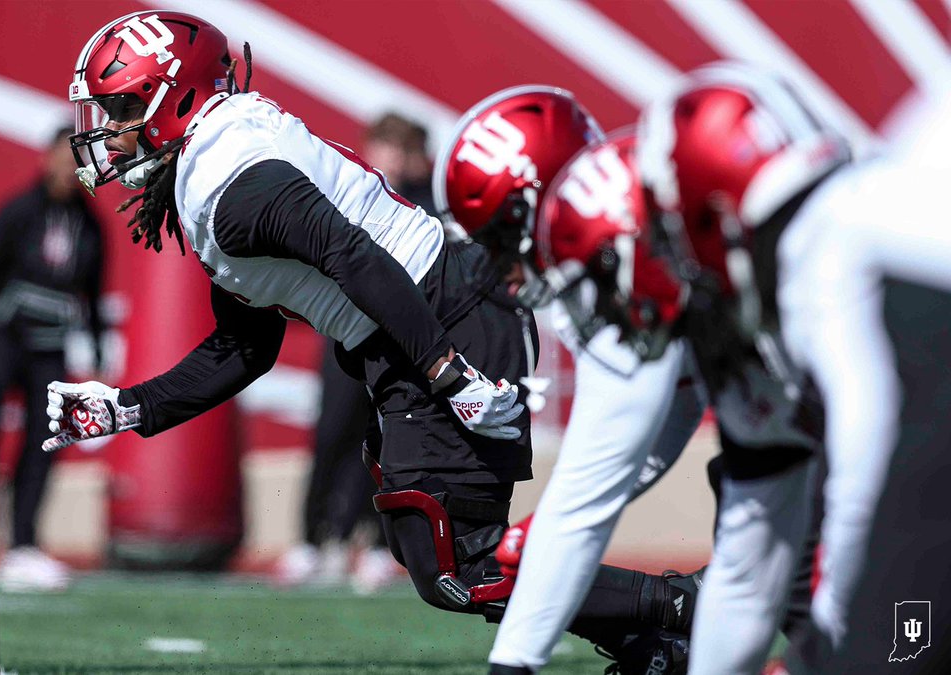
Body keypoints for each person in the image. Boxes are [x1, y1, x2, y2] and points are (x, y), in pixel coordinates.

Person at [45, 15, 695, 668]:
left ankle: (688, 608)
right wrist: (128, 406)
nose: (109, 129)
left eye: (123, 107)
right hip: (425, 315)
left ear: (178, 96)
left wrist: (448, 371)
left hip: (438, 318)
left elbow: (348, 251)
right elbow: (246, 344)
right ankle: (648, 645)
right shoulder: (220, 155)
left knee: (459, 564)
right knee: (428, 544)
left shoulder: (231, 187)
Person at [636, 63, 951, 673]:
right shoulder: (847, 229)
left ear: (713, 210)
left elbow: (874, 493)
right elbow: (748, 566)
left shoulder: (831, 261)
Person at [433, 89, 708, 675]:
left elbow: (592, 489)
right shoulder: (627, 217)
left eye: (499, 237)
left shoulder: (616, 252)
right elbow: (672, 407)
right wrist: (554, 519)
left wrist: (513, 664)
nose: (498, 265)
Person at [276, 113, 434, 593]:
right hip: (347, 332)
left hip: (396, 342)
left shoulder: (423, 208)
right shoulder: (351, 191)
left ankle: (368, 543)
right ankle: (311, 539)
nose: (394, 159)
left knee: (383, 441)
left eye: (402, 149)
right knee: (331, 436)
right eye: (388, 147)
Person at [0, 125, 106, 592]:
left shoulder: (91, 224)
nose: (70, 169)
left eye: (79, 161)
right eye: (64, 158)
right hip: (5, 339)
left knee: (45, 442)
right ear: (45, 158)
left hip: (52, 347)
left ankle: (23, 546)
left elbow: (94, 295)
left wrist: (98, 353)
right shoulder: (17, 212)